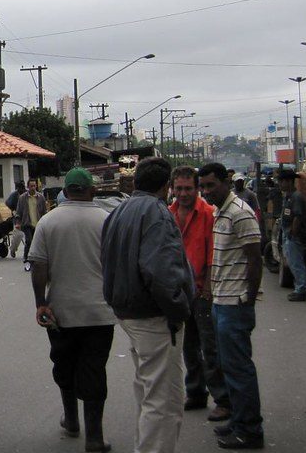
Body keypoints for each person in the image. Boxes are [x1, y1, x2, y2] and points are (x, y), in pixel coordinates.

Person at [101, 157, 194, 453]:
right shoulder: (156, 213)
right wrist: (179, 309)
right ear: (166, 186)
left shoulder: (120, 211)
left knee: (148, 391)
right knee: (163, 401)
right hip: (154, 317)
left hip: (129, 313)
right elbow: (160, 271)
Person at [29, 167, 114, 452]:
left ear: (66, 191)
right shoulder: (107, 220)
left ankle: (72, 419)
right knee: (94, 369)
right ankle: (94, 437)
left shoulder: (48, 221)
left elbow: (39, 265)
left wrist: (41, 302)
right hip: (99, 312)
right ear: (91, 191)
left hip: (61, 312)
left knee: (64, 365)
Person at [198, 163, 265, 449]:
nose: (205, 191)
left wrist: (248, 296)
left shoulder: (240, 213)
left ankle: (249, 430)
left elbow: (255, 259)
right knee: (228, 367)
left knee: (239, 370)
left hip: (234, 304)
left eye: (210, 185)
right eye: (203, 186)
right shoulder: (219, 212)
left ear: (226, 182)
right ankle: (239, 422)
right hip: (221, 302)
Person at [169, 166, 231, 422]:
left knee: (210, 347)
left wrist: (207, 288)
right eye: (179, 189)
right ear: (172, 188)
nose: (183, 194)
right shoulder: (168, 214)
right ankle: (195, 392)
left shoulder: (208, 214)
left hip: (203, 291)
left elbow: (212, 253)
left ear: (197, 189)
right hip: (180, 291)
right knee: (188, 346)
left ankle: (223, 399)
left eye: (188, 188)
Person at [277, 168, 306, 302]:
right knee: (291, 262)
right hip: (287, 232)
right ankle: (299, 288)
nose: (280, 184)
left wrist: (292, 233)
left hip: (292, 234)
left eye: (282, 181)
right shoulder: (288, 196)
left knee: (296, 263)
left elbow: (297, 217)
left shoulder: (296, 197)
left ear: (288, 182)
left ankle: (301, 289)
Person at [15, 178, 47, 264]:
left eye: (34, 186)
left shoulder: (41, 197)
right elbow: (18, 212)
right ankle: (26, 257)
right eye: (31, 186)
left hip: (38, 223)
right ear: (28, 187)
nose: (33, 188)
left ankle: (36, 257)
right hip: (27, 223)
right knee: (29, 241)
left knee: (37, 242)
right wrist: (18, 223)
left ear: (36, 186)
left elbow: (44, 211)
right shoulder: (22, 198)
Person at [4, 181, 24, 258]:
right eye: (20, 188)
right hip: (17, 217)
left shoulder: (26, 194)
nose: (21, 190)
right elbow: (7, 203)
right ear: (17, 188)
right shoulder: (14, 195)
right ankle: (13, 249)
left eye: (22, 188)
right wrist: (13, 210)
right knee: (18, 234)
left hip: (26, 217)